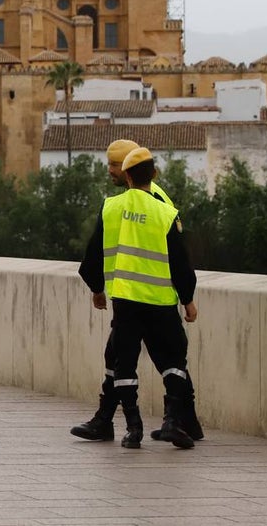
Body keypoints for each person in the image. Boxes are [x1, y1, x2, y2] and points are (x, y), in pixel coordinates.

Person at [70, 139, 203, 443]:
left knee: (147, 360)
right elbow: (180, 259)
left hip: (135, 298)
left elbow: (95, 253)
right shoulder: (153, 204)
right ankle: (177, 422)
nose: (110, 171)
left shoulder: (131, 205)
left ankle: (151, 423)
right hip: (150, 298)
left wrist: (97, 288)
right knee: (161, 358)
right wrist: (187, 298)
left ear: (128, 172)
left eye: (114, 165)